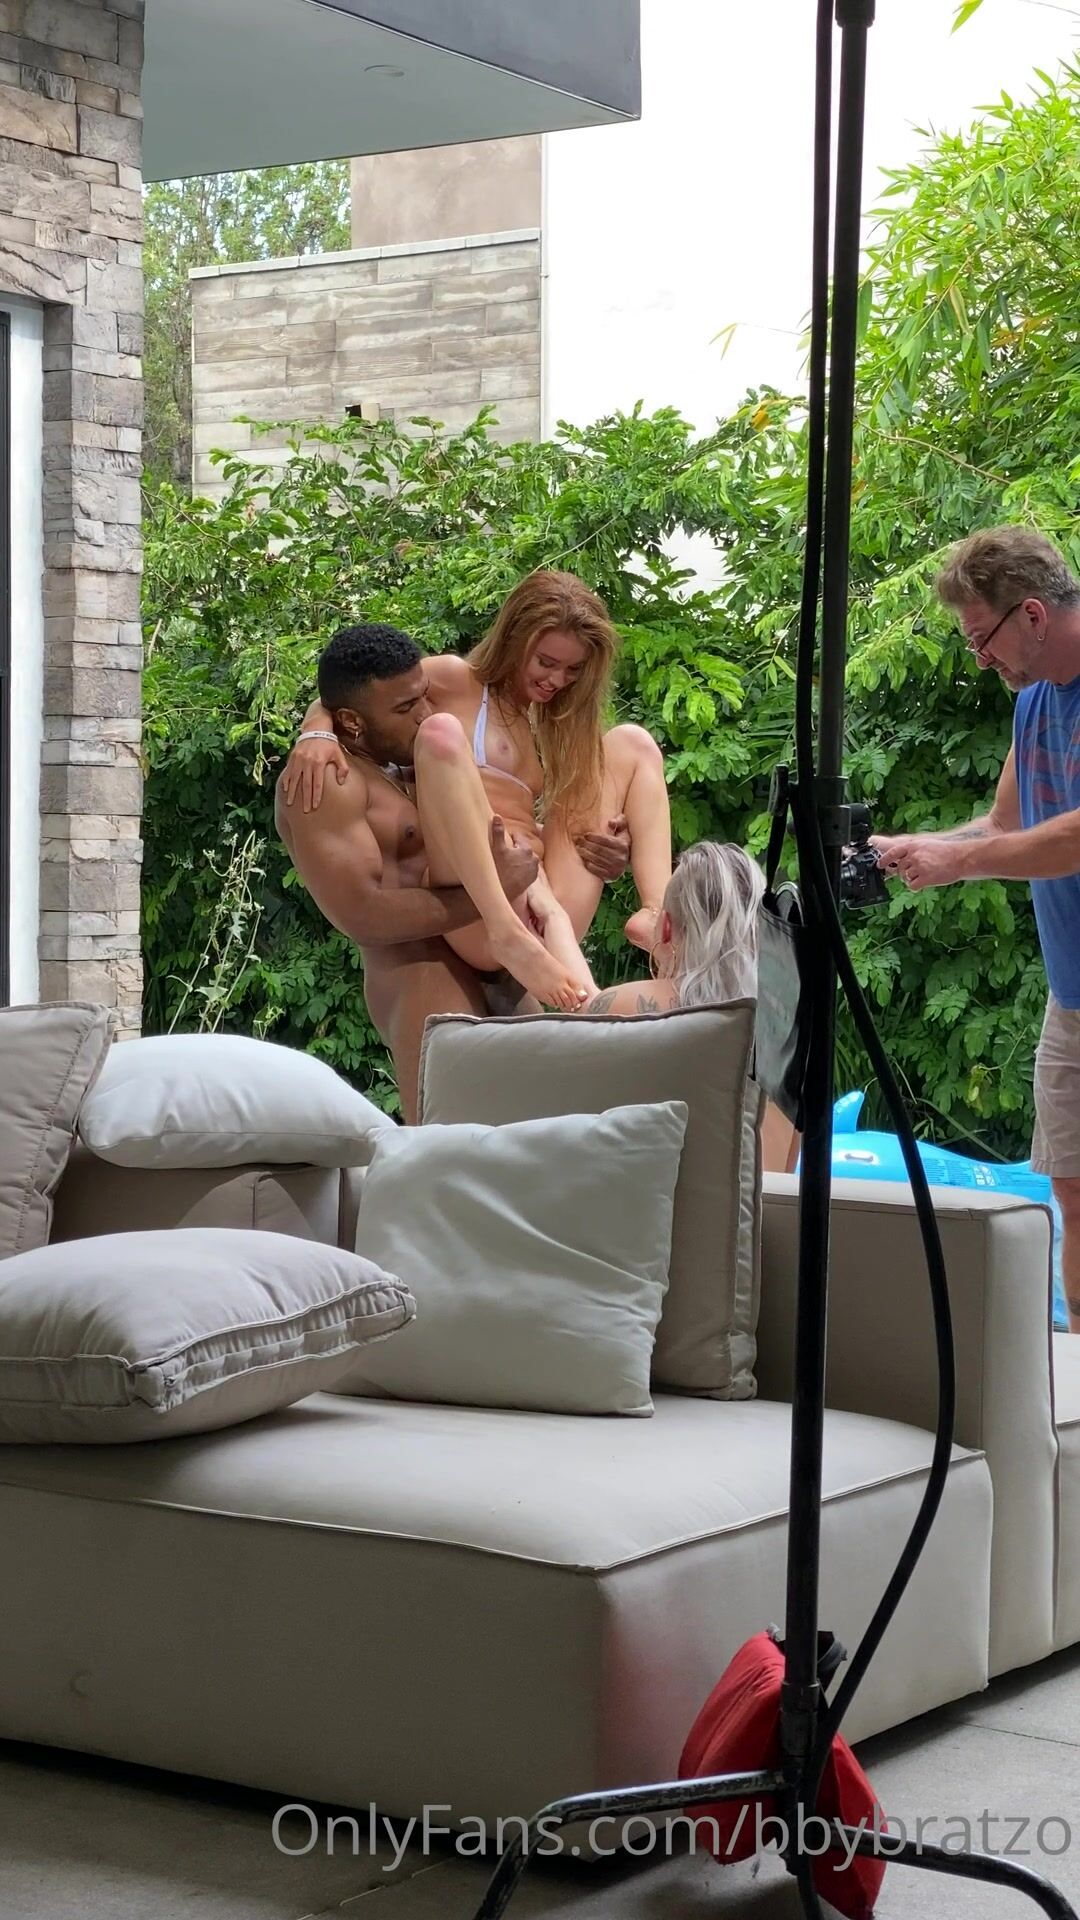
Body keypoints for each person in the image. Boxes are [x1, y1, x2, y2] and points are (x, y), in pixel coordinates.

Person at [279, 570, 673, 1006]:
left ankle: (658, 918)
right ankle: (523, 942)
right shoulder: (457, 680)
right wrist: (316, 732)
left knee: (632, 742)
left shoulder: (555, 723)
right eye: (545, 662)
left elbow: (539, 827)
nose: (557, 680)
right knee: (440, 732)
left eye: (573, 670)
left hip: (546, 890)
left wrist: (610, 850)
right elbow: (355, 691)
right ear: (514, 639)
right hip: (483, 904)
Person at [870, 525, 1080, 1333]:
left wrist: (961, 863)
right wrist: (918, 849)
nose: (980, 659)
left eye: (981, 638)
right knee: (1071, 1193)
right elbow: (1003, 824)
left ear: (1032, 614)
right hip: (1071, 998)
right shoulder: (1034, 704)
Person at [275, 623, 540, 1123]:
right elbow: (363, 914)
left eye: (424, 697)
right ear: (351, 722)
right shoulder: (327, 781)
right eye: (404, 708)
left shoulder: (419, 754)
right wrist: (491, 894)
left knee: (550, 1131)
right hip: (422, 973)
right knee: (449, 1148)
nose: (425, 715)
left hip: (499, 963)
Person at [525, 839, 764, 1014]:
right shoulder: (767, 1005)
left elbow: (585, 1005)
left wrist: (553, 915)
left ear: (667, 927)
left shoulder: (661, 1000)